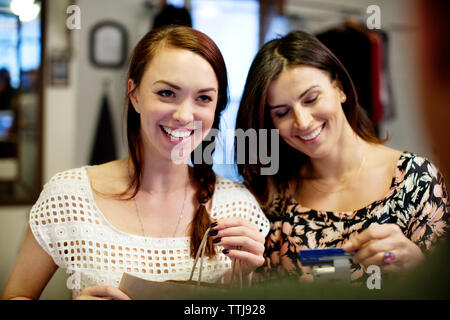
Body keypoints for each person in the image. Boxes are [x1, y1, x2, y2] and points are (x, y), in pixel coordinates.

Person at [1, 25, 269, 300]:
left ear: (216, 106)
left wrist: (243, 277)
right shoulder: (69, 197)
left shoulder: (238, 206)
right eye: (167, 93)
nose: (184, 115)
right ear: (135, 94)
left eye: (203, 98)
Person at [235, 30, 448, 283]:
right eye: (282, 113)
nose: (302, 122)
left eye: (311, 99)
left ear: (340, 88)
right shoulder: (271, 194)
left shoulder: (415, 179)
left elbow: (439, 284)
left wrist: (414, 264)